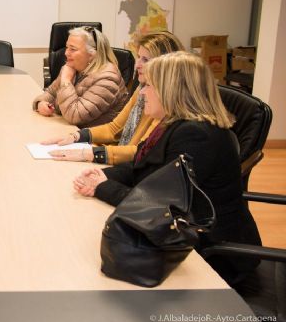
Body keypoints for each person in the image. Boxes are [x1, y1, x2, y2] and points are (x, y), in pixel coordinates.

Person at [72, 51, 261, 284]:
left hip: (212, 255)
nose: (142, 93)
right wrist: (102, 174)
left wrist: (102, 187)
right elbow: (142, 167)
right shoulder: (174, 124)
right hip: (182, 237)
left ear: (170, 90)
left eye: (149, 86)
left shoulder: (197, 135)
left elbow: (158, 207)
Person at [44, 31, 184, 165]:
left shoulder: (166, 101)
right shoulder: (142, 88)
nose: (137, 65)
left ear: (166, 65)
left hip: (129, 163)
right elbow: (114, 128)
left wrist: (92, 153)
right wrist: (76, 136)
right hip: (120, 155)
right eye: (138, 57)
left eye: (145, 59)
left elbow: (143, 151)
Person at [33, 27, 128, 127]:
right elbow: (50, 93)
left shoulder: (108, 79)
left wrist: (66, 81)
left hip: (95, 140)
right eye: (67, 47)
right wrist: (40, 103)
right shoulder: (73, 67)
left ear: (92, 55)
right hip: (68, 130)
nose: (66, 53)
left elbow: (75, 116)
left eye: (73, 49)